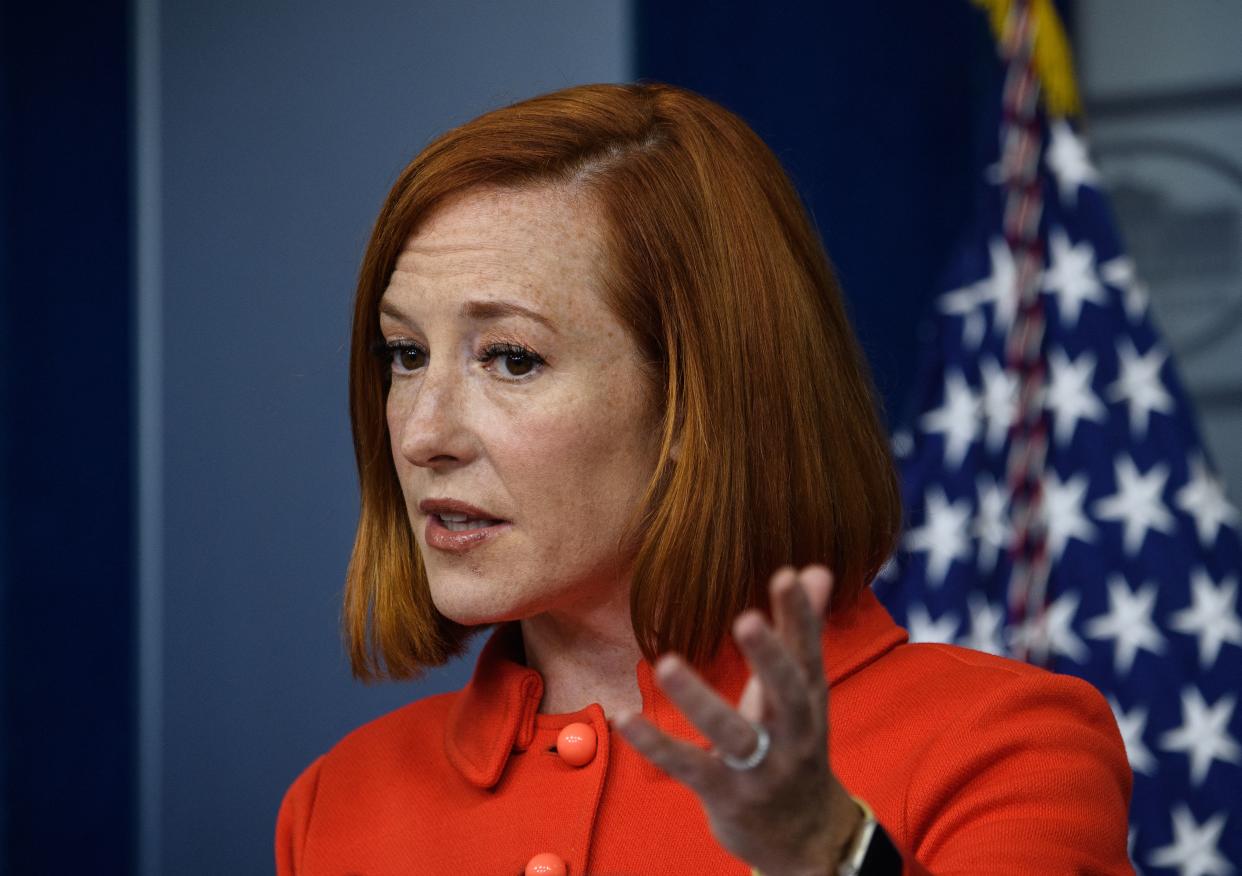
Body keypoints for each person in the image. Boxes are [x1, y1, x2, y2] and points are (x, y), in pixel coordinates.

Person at [276, 83, 1132, 875]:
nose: (423, 434)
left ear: (700, 400)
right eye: (405, 354)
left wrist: (837, 858)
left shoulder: (1005, 747)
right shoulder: (336, 804)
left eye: (510, 358)